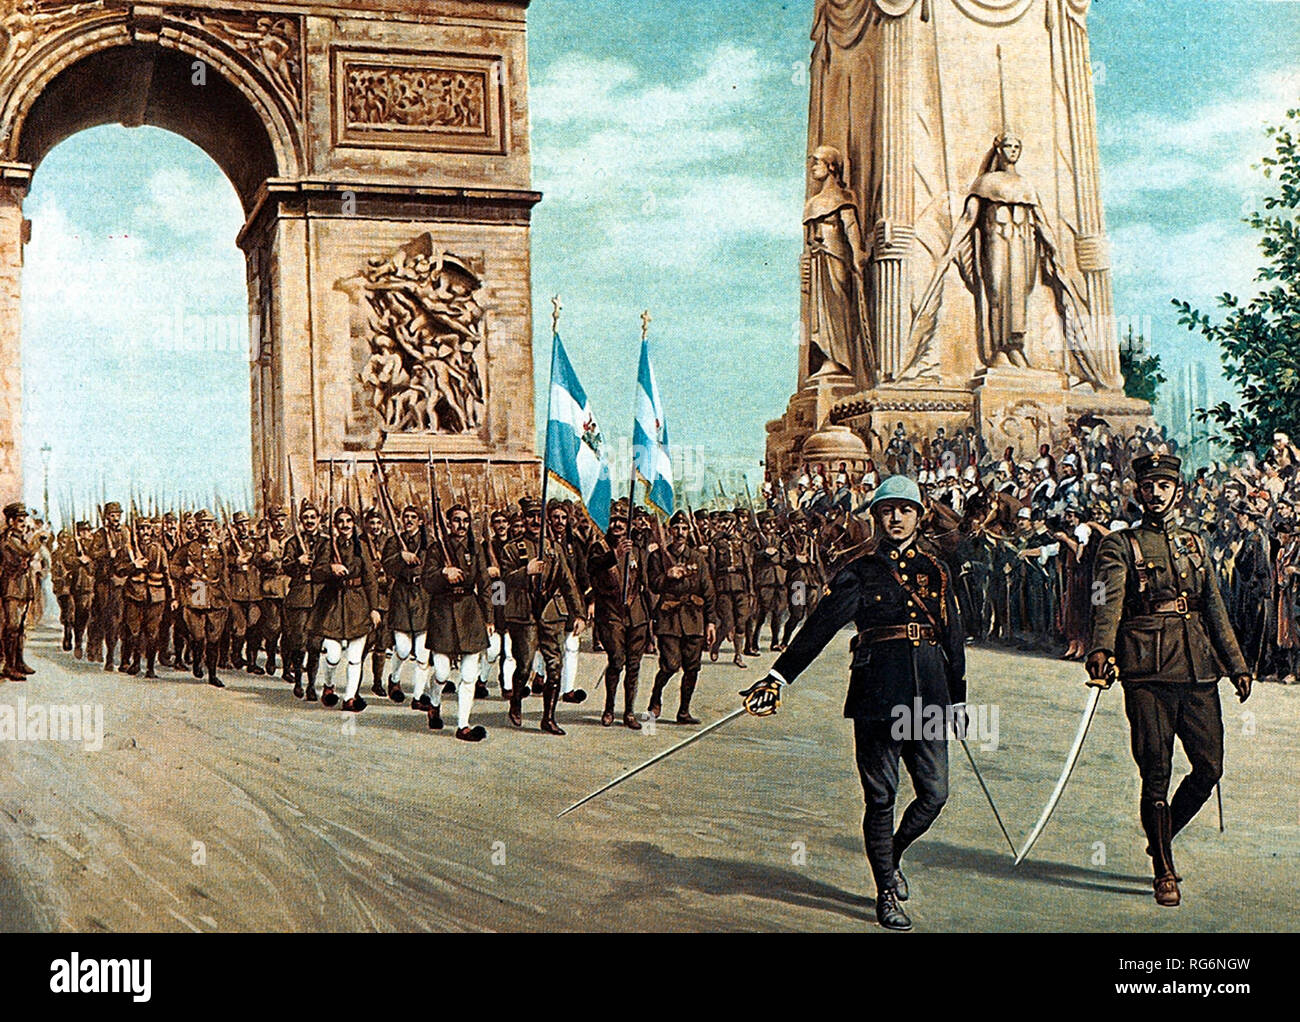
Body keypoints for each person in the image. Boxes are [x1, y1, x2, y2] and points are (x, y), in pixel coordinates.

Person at [740, 475, 966, 932]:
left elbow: (952, 635)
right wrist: (778, 676)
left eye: (906, 510)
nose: (897, 518)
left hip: (929, 695)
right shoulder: (858, 573)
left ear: (919, 517)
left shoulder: (936, 572)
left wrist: (957, 696)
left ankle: (892, 853)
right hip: (878, 695)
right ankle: (885, 890)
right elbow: (819, 628)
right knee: (881, 798)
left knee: (935, 794)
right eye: (887, 510)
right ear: (876, 518)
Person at [1087, 453, 1252, 908]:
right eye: (1148, 485)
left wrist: (1235, 663)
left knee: (1209, 768)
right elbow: (1106, 601)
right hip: (1147, 669)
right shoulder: (1120, 545)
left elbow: (1214, 607)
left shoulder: (1195, 543)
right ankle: (1164, 868)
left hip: (1198, 667)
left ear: (1177, 491)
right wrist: (1101, 648)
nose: (1156, 493)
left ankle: (1159, 836)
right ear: (1137, 492)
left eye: (1165, 485)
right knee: (1155, 772)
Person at [499, 497, 586, 735]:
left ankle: (548, 717)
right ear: (523, 519)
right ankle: (516, 699)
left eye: (539, 517)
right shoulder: (511, 548)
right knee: (525, 667)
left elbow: (568, 582)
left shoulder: (554, 548)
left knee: (555, 667)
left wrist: (579, 614)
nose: (535, 521)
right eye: (530, 517)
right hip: (524, 613)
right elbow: (503, 582)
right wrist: (524, 572)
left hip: (551, 613)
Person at [421, 504, 492, 740]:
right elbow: (427, 582)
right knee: (441, 672)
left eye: (465, 521)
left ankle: (463, 725)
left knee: (469, 674)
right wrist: (443, 572)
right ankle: (434, 701)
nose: (461, 525)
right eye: (456, 520)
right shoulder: (436, 548)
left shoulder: (476, 548)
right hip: (443, 613)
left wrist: (489, 617)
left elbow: (484, 584)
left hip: (470, 612)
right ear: (448, 523)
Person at [309, 507, 381, 712]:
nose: (345, 525)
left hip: (357, 604)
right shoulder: (327, 546)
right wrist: (330, 568)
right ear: (335, 524)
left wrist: (374, 608)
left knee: (355, 657)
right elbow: (315, 573)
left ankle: (350, 698)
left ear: (354, 523)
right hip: (332, 603)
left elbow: (370, 580)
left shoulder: (363, 547)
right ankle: (329, 685)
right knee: (333, 656)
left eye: (349, 521)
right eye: (340, 521)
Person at [647, 511, 716, 724]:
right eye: (676, 528)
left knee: (692, 667)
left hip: (694, 618)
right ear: (669, 531)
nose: (680, 533)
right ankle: (655, 697)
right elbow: (652, 584)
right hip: (669, 617)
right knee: (670, 664)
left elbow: (708, 589)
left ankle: (684, 711)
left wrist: (711, 621)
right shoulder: (658, 556)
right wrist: (666, 576)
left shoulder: (696, 558)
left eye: (684, 529)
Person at [587, 506, 649, 730]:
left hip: (636, 614)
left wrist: (651, 618)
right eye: (613, 520)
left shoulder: (638, 550)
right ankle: (609, 708)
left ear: (630, 524)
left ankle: (629, 711)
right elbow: (592, 567)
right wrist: (615, 555)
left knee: (634, 665)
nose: (618, 525)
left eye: (623, 520)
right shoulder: (599, 547)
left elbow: (646, 582)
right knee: (616, 661)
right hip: (611, 613)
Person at [170, 509, 231, 688]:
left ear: (213, 526)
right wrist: (183, 572)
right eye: (202, 524)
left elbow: (225, 571)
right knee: (198, 635)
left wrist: (227, 595)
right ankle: (197, 660)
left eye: (209, 524)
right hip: (197, 589)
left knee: (214, 637)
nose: (206, 528)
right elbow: (173, 567)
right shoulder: (188, 548)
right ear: (196, 527)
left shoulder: (220, 546)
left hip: (216, 592)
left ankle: (212, 674)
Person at [0, 502, 37, 680]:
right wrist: (36, 541)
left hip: (22, 587)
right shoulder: (8, 539)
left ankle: (19, 662)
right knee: (12, 626)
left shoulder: (20, 537)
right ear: (11, 521)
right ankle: (9, 665)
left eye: (24, 520)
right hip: (12, 587)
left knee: (21, 627)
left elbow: (26, 558)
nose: (23, 523)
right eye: (20, 520)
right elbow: (26, 553)